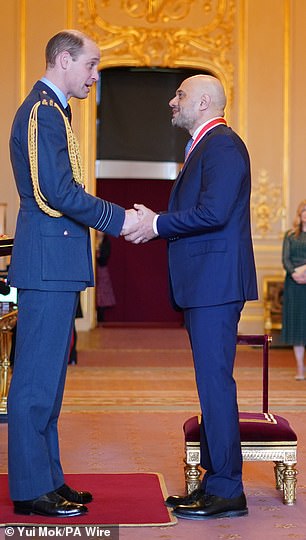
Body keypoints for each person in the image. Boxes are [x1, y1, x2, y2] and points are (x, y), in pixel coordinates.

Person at [7, 29, 137, 517]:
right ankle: (29, 489)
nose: (94, 75)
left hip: (55, 262)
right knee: (35, 383)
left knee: (50, 383)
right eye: (91, 65)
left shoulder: (54, 111)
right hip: (47, 262)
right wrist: (119, 219)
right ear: (64, 60)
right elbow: (57, 192)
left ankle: (49, 478)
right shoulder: (42, 111)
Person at [123, 74, 258, 520]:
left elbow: (214, 213)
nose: (171, 101)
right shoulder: (207, 145)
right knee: (211, 385)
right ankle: (216, 484)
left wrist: (157, 224)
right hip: (208, 283)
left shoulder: (221, 145)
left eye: (179, 95)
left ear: (203, 102)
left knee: (216, 386)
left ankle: (226, 490)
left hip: (215, 285)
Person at [281, 200, 306, 380]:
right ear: (299, 214)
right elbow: (286, 259)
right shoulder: (290, 235)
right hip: (293, 284)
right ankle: (299, 368)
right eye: (303, 211)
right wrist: (295, 274)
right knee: (298, 328)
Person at [95, 231, 116, 322]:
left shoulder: (106, 242)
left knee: (103, 295)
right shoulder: (94, 240)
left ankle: (101, 318)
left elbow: (105, 256)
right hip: (95, 270)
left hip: (102, 269)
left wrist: (99, 255)